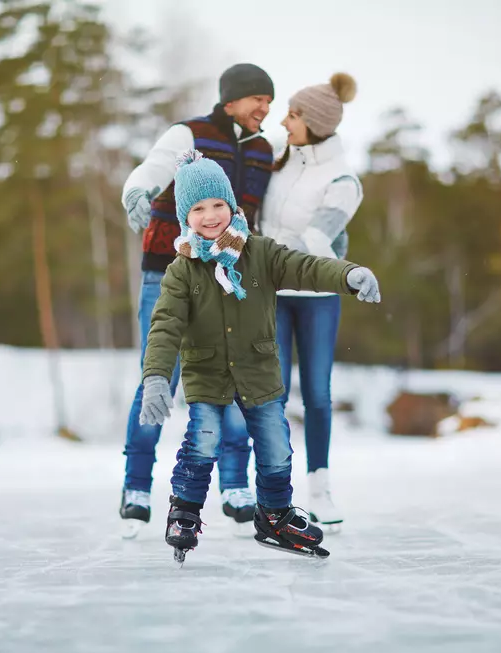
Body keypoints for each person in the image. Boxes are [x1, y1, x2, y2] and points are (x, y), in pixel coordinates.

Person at [138, 149, 381, 562]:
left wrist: (348, 274)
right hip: (208, 375)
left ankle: (274, 515)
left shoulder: (261, 253)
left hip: (259, 373)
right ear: (185, 217)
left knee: (276, 447)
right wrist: (157, 376)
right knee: (205, 440)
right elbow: (165, 326)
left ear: (232, 206)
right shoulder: (182, 269)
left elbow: (305, 267)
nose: (210, 215)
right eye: (198, 208)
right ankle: (184, 511)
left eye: (218, 204)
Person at [118, 63, 277, 536]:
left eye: (269, 101)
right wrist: (137, 193)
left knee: (234, 373)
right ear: (231, 101)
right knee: (157, 372)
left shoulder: (267, 149)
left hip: (229, 275)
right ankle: (136, 486)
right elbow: (152, 169)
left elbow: (292, 197)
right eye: (257, 100)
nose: (265, 109)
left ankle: (234, 485)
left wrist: (330, 234)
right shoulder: (189, 134)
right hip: (168, 271)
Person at [259, 73, 362, 530]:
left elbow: (316, 241)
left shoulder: (343, 180)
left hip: (317, 296)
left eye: (294, 115)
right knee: (271, 393)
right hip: (273, 296)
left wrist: (265, 253)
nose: (284, 121)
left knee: (317, 394)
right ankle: (272, 490)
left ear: (316, 122)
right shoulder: (278, 166)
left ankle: (319, 488)